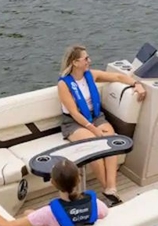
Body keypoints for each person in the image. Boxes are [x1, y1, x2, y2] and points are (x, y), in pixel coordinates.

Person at [58, 44, 146, 206]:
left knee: (110, 142)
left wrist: (137, 84)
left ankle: (111, 188)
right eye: (86, 59)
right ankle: (107, 189)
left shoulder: (91, 75)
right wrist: (94, 130)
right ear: (75, 62)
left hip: (95, 117)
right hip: (74, 122)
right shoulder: (64, 85)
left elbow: (117, 77)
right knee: (95, 146)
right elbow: (74, 113)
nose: (89, 61)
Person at [0, 158, 109, 226]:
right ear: (79, 180)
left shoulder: (47, 213)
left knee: (28, 213)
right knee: (29, 213)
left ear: (53, 182)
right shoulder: (97, 205)